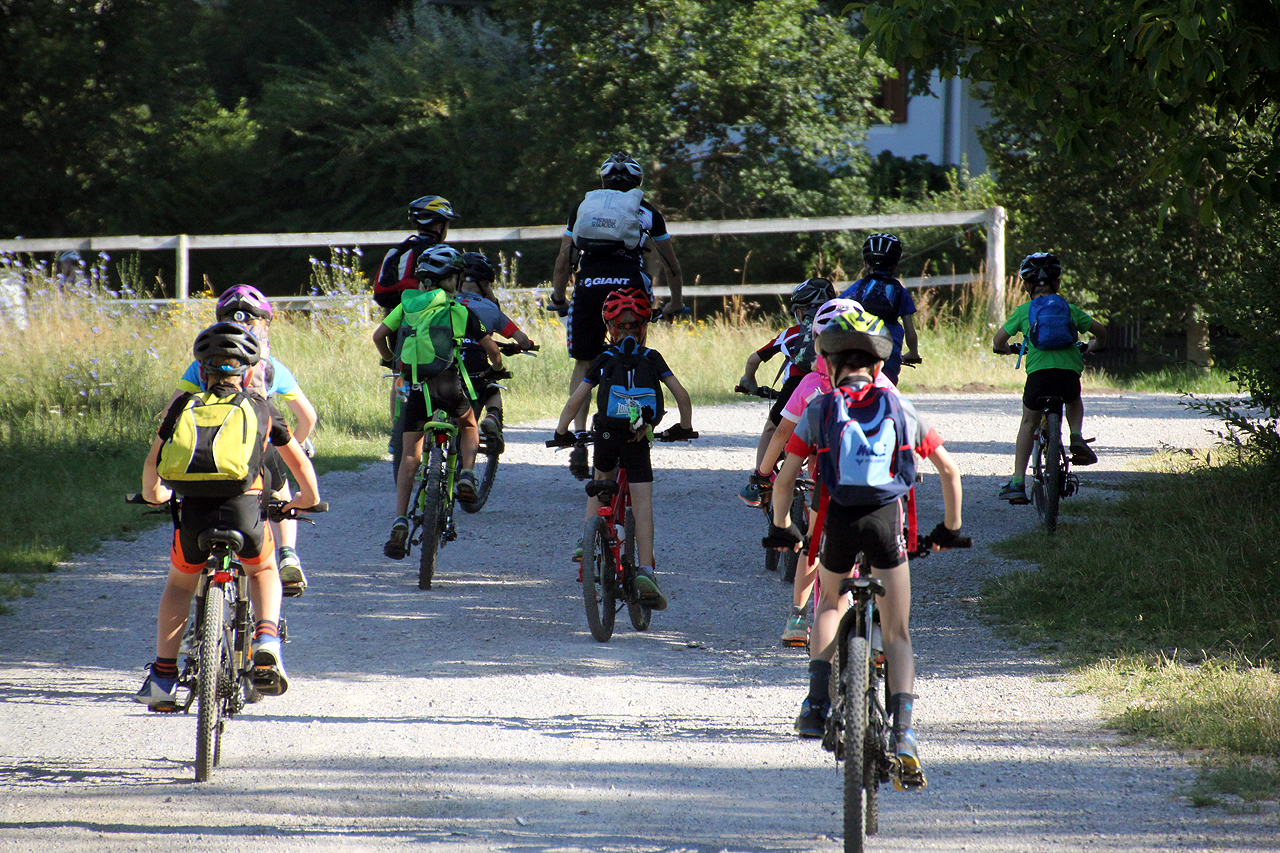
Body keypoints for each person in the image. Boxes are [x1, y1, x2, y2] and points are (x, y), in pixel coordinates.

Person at [768, 308, 969, 792]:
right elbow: (950, 471)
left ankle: (815, 703)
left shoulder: (820, 408)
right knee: (897, 632)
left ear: (829, 363)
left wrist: (784, 527)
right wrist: (949, 528)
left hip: (838, 520)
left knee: (829, 603)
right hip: (885, 524)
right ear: (878, 367)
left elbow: (786, 476)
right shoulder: (900, 406)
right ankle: (904, 735)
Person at [134, 323, 321, 709]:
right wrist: (306, 500)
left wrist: (155, 495)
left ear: (202, 373)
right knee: (264, 569)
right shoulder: (262, 408)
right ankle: (266, 641)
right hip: (245, 512)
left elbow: (153, 463)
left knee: (180, 586)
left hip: (194, 515)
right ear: (248, 374)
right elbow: (299, 465)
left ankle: (163, 678)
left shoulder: (182, 408)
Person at [166, 285, 318, 597]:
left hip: (206, 453)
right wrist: (293, 446)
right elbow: (308, 418)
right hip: (258, 452)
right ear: (265, 324)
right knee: (280, 488)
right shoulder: (270, 366)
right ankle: (288, 553)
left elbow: (171, 413)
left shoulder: (200, 367)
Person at [550, 287, 694, 609]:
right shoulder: (652, 357)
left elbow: (576, 400)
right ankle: (646, 571)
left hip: (605, 435)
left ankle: (588, 539)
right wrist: (684, 427)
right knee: (642, 506)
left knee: (601, 480)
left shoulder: (604, 358)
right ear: (643, 327)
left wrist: (562, 433)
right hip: (638, 437)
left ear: (609, 327)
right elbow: (682, 396)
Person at [549, 154, 685, 479]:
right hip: (629, 285)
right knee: (635, 356)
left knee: (584, 362)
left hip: (589, 284)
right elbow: (671, 266)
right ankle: (636, 424)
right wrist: (675, 303)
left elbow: (563, 261)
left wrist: (559, 298)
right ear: (637, 183)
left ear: (603, 182)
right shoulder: (648, 212)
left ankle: (580, 436)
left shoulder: (583, 208)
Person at [374, 244, 504, 559]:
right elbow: (493, 350)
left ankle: (400, 519)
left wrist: (390, 359)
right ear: (454, 280)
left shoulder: (406, 306)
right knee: (469, 425)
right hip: (448, 387)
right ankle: (467, 474)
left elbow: (378, 336)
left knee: (409, 455)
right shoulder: (458, 310)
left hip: (418, 390)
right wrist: (497, 368)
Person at [992, 252, 1108, 503]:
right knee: (1073, 399)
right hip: (1067, 378)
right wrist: (1094, 345)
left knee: (1028, 422)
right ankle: (1076, 436)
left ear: (1026, 285)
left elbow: (998, 341)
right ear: (1057, 283)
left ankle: (1017, 482)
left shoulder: (1024, 311)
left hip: (1039, 378)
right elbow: (1101, 332)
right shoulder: (1070, 310)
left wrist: (1005, 349)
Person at [737, 278, 837, 506]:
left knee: (773, 428)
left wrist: (748, 381)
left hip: (797, 388)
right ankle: (819, 500)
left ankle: (759, 483)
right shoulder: (845, 331)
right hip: (834, 388)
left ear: (804, 310)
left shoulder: (792, 333)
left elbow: (753, 360)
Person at [453, 251, 537, 453]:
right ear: (485, 284)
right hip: (476, 363)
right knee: (492, 387)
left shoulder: (446, 303)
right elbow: (521, 339)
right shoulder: (490, 309)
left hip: (446, 362)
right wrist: (525, 345)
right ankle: (492, 416)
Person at [837, 234, 920, 384]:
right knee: (887, 390)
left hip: (858, 350)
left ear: (866, 265)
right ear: (895, 265)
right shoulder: (901, 292)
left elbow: (836, 308)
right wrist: (913, 353)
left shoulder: (858, 287)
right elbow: (910, 332)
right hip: (889, 352)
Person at [373, 195, 459, 314]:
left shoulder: (398, 250)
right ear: (439, 227)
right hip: (428, 318)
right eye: (447, 226)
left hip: (394, 318)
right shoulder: (440, 254)